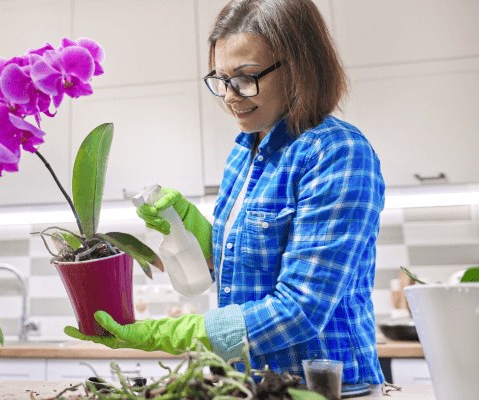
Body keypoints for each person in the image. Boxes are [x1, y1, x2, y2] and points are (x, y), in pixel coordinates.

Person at [72, 0, 385, 385]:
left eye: (246, 77)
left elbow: (301, 309)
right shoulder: (246, 151)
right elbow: (245, 270)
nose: (230, 96)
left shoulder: (337, 153)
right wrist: (192, 230)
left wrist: (173, 335)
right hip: (249, 384)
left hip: (321, 387)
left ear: (301, 67)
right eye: (220, 79)